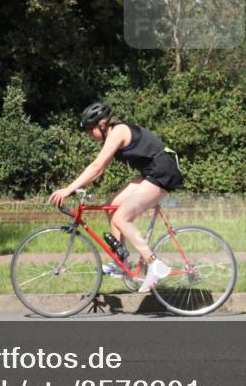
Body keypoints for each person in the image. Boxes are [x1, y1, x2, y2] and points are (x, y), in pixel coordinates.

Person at [48, 102, 183, 293]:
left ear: (102, 125)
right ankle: (120, 263)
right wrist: (75, 187)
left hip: (163, 172)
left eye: (89, 129)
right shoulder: (112, 136)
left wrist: (68, 189)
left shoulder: (118, 132)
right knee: (112, 206)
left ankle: (156, 265)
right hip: (151, 173)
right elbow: (99, 170)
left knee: (121, 217)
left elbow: (96, 166)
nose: (88, 134)